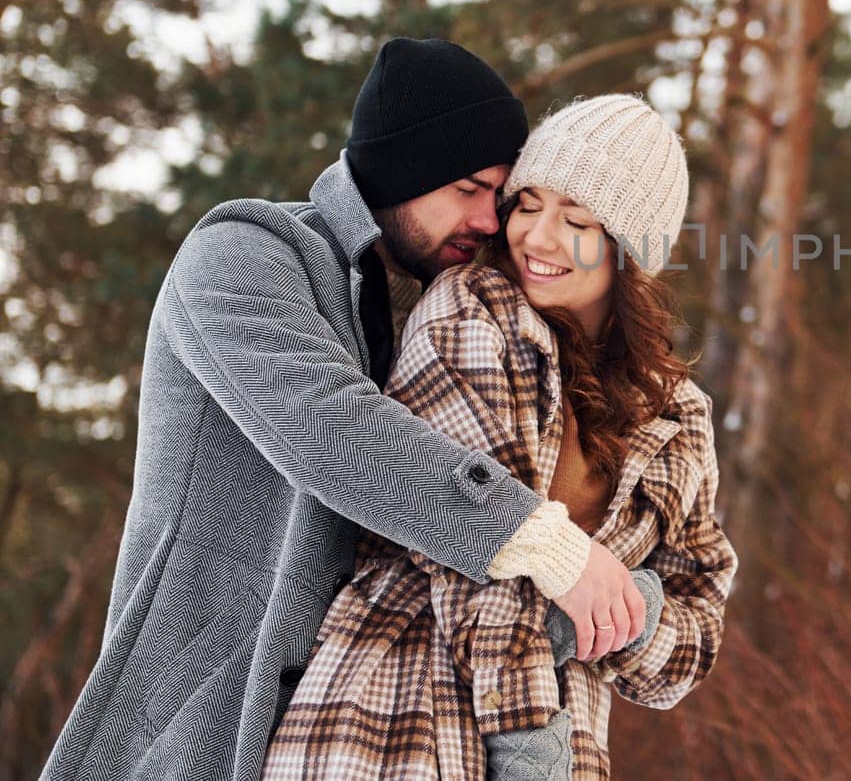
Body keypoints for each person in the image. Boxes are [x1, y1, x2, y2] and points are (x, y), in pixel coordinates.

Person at [43, 40, 645, 781]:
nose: (492, 220)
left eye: (500, 194)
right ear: (402, 168)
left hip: (354, 735)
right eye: (468, 187)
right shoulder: (243, 254)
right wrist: (546, 546)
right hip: (199, 723)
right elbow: (328, 425)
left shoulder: (455, 312)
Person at [262, 94, 737, 781]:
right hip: (394, 724)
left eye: (576, 219)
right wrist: (529, 752)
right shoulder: (468, 310)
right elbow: (477, 551)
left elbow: (700, 620)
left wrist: (621, 614)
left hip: (568, 744)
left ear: (630, 253)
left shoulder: (677, 413)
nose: (537, 238)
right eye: (528, 203)